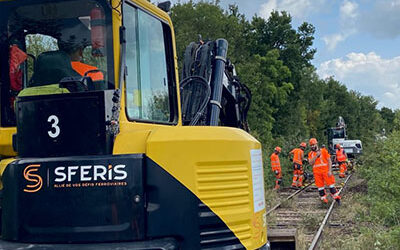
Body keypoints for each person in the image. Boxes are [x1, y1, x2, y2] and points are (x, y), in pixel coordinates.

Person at [308, 138, 341, 204]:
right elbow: (310, 163)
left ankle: (337, 198)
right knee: (320, 187)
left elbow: (329, 161)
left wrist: (329, 170)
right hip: (317, 173)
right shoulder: (310, 154)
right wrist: (316, 156)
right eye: (311, 145)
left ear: (316, 144)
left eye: (313, 145)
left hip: (325, 171)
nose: (312, 146)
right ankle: (323, 200)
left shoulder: (323, 151)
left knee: (331, 185)